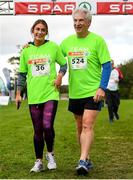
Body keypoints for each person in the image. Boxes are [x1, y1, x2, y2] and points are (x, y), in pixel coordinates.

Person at [60, 7, 111, 175]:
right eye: (75, 21)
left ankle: (82, 161)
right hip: (75, 92)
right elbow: (54, 55)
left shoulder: (97, 41)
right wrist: (32, 45)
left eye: (81, 20)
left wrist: (102, 87)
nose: (77, 23)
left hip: (92, 91)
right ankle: (86, 157)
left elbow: (106, 65)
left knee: (87, 125)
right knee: (80, 127)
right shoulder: (67, 42)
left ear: (89, 22)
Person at [15, 19, 67, 173]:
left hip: (51, 92)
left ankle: (50, 154)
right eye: (37, 29)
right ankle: (38, 161)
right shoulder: (26, 50)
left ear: (46, 32)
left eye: (43, 30)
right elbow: (22, 74)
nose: (39, 32)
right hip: (34, 96)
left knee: (47, 126)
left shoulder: (53, 47)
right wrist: (18, 93)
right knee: (37, 129)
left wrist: (59, 76)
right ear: (33, 30)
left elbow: (63, 64)